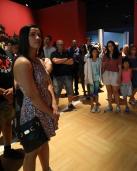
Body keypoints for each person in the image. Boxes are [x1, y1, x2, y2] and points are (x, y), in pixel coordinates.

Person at [13, 25, 59, 171]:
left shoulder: (38, 61)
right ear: (24, 38)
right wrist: (51, 112)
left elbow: (49, 83)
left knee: (44, 142)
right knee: (31, 152)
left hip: (45, 110)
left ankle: (47, 168)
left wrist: (55, 105)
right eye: (33, 35)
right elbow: (33, 97)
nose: (38, 38)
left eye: (39, 34)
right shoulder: (22, 62)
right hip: (32, 114)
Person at [0, 40, 24, 171]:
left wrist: (11, 89)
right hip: (3, 95)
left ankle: (7, 150)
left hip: (7, 97)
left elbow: (13, 73)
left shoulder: (6, 53)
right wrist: (3, 91)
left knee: (7, 124)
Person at [51, 40, 75, 111]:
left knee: (70, 90)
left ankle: (70, 104)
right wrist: (65, 59)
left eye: (62, 44)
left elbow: (71, 62)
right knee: (57, 92)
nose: (61, 46)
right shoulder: (53, 53)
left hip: (68, 75)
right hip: (57, 76)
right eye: (59, 44)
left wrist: (60, 61)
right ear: (57, 45)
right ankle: (56, 106)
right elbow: (55, 61)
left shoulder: (67, 52)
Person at [102, 40, 122, 113]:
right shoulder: (105, 55)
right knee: (109, 91)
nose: (110, 47)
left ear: (114, 46)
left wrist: (119, 77)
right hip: (106, 73)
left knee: (115, 91)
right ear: (107, 47)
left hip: (115, 74)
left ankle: (118, 106)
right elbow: (103, 66)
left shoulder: (118, 55)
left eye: (111, 45)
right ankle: (110, 106)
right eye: (108, 46)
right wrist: (102, 75)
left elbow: (120, 67)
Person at [84, 47, 102, 113]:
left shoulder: (99, 59)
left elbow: (100, 69)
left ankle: (97, 105)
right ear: (91, 52)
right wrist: (86, 78)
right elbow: (86, 70)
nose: (95, 53)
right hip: (91, 78)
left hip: (97, 78)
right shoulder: (88, 60)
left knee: (96, 92)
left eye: (96, 52)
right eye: (93, 51)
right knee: (91, 93)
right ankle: (92, 106)